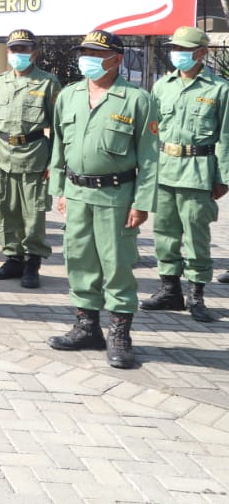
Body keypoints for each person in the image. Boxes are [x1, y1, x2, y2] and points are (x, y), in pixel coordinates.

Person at [47, 30, 159, 369]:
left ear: (117, 59)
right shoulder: (69, 95)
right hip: (78, 193)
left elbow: (151, 158)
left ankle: (120, 334)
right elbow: (59, 147)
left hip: (117, 195)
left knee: (117, 265)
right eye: (85, 52)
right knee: (79, 260)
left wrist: (142, 203)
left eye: (96, 54)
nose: (88, 59)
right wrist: (61, 188)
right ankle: (87, 327)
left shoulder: (138, 100)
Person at [142, 26, 227, 323]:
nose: (177, 54)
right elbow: (152, 133)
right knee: (164, 233)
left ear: (202, 53)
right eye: (175, 49)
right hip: (164, 169)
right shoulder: (162, 86)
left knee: (196, 236)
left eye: (184, 50)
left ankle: (196, 295)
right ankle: (170, 291)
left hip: (197, 171)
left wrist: (222, 178)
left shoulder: (219, 89)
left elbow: (226, 137)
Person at [0, 29, 61, 289]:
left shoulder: (47, 82)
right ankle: (13, 259)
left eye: (24, 49)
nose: (18, 54)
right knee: (6, 210)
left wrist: (54, 162)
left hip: (34, 157)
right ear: (7, 52)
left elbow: (59, 128)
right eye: (14, 49)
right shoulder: (2, 81)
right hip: (4, 154)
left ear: (34, 53)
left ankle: (32, 262)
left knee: (34, 214)